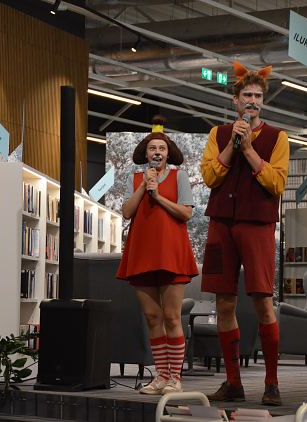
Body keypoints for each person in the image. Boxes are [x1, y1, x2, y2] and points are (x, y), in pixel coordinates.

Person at [200, 62, 289, 405]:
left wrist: (249, 149)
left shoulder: (277, 137)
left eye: (258, 96)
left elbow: (276, 183)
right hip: (220, 224)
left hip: (257, 225)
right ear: (235, 100)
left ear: (262, 101)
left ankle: (272, 383)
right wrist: (232, 145)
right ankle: (233, 382)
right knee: (223, 303)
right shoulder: (218, 134)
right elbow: (210, 177)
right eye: (247, 95)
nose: (252, 101)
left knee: (263, 301)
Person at [116, 116, 198, 395]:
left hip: (171, 252)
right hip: (142, 253)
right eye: (152, 148)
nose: (157, 152)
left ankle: (175, 377)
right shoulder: (135, 179)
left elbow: (186, 213)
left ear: (168, 153)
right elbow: (127, 212)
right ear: (146, 154)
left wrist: (159, 196)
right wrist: (144, 186)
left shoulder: (179, 177)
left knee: (172, 317)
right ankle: (161, 376)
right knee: (152, 317)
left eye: (162, 148)